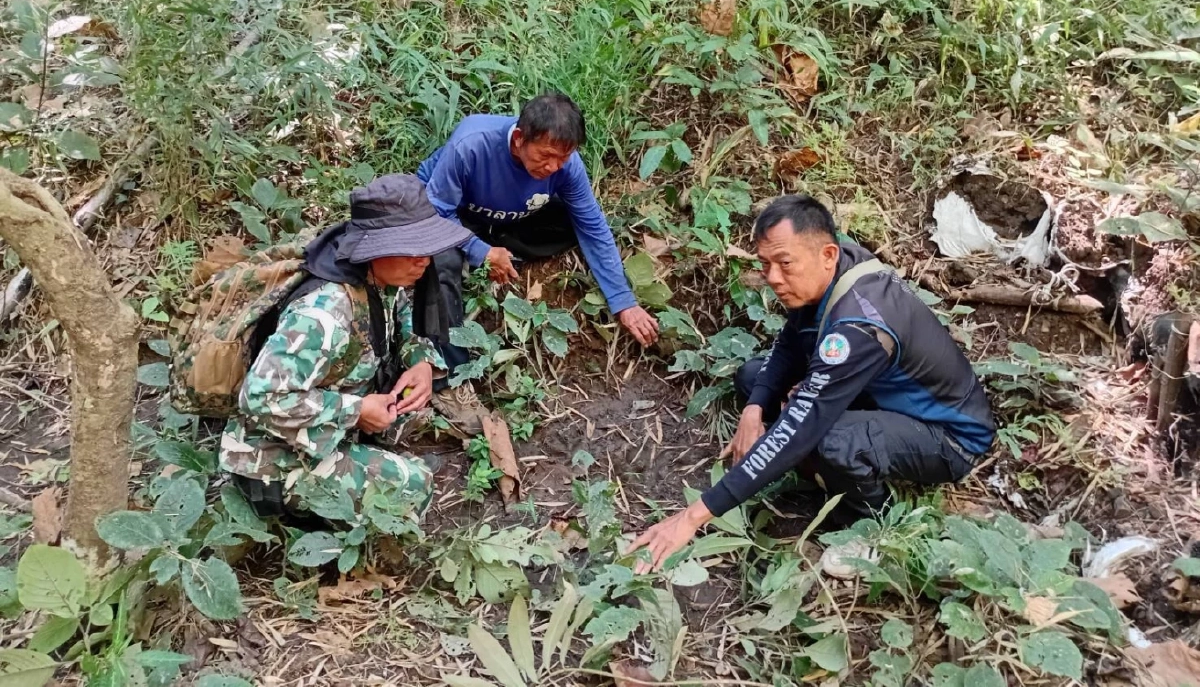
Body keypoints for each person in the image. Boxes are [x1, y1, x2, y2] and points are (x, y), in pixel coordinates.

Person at [629, 195, 996, 572]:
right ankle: (821, 463)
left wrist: (690, 518)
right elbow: (791, 340)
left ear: (828, 254)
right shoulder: (833, 268)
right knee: (754, 379)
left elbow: (797, 429)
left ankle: (873, 527)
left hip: (949, 437)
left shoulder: (860, 328)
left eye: (784, 264)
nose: (772, 277)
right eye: (765, 264)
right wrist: (754, 411)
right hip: (884, 395)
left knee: (831, 439)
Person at [219, 174, 473, 524]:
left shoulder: (380, 278)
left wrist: (422, 361)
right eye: (412, 249)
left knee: (410, 414)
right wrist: (355, 410)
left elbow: (402, 318)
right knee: (415, 486)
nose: (424, 261)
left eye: (426, 248)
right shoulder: (324, 313)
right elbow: (260, 398)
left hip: (325, 419)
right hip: (271, 457)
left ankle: (363, 455)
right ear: (376, 248)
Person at [418, 92, 660, 429]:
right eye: (546, 156)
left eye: (563, 158)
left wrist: (624, 302)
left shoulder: (564, 167)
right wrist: (480, 251)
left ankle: (496, 246)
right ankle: (450, 380)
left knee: (570, 222)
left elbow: (592, 225)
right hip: (450, 212)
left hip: (504, 219)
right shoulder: (472, 144)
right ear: (519, 139)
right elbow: (435, 210)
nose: (553, 167)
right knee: (438, 261)